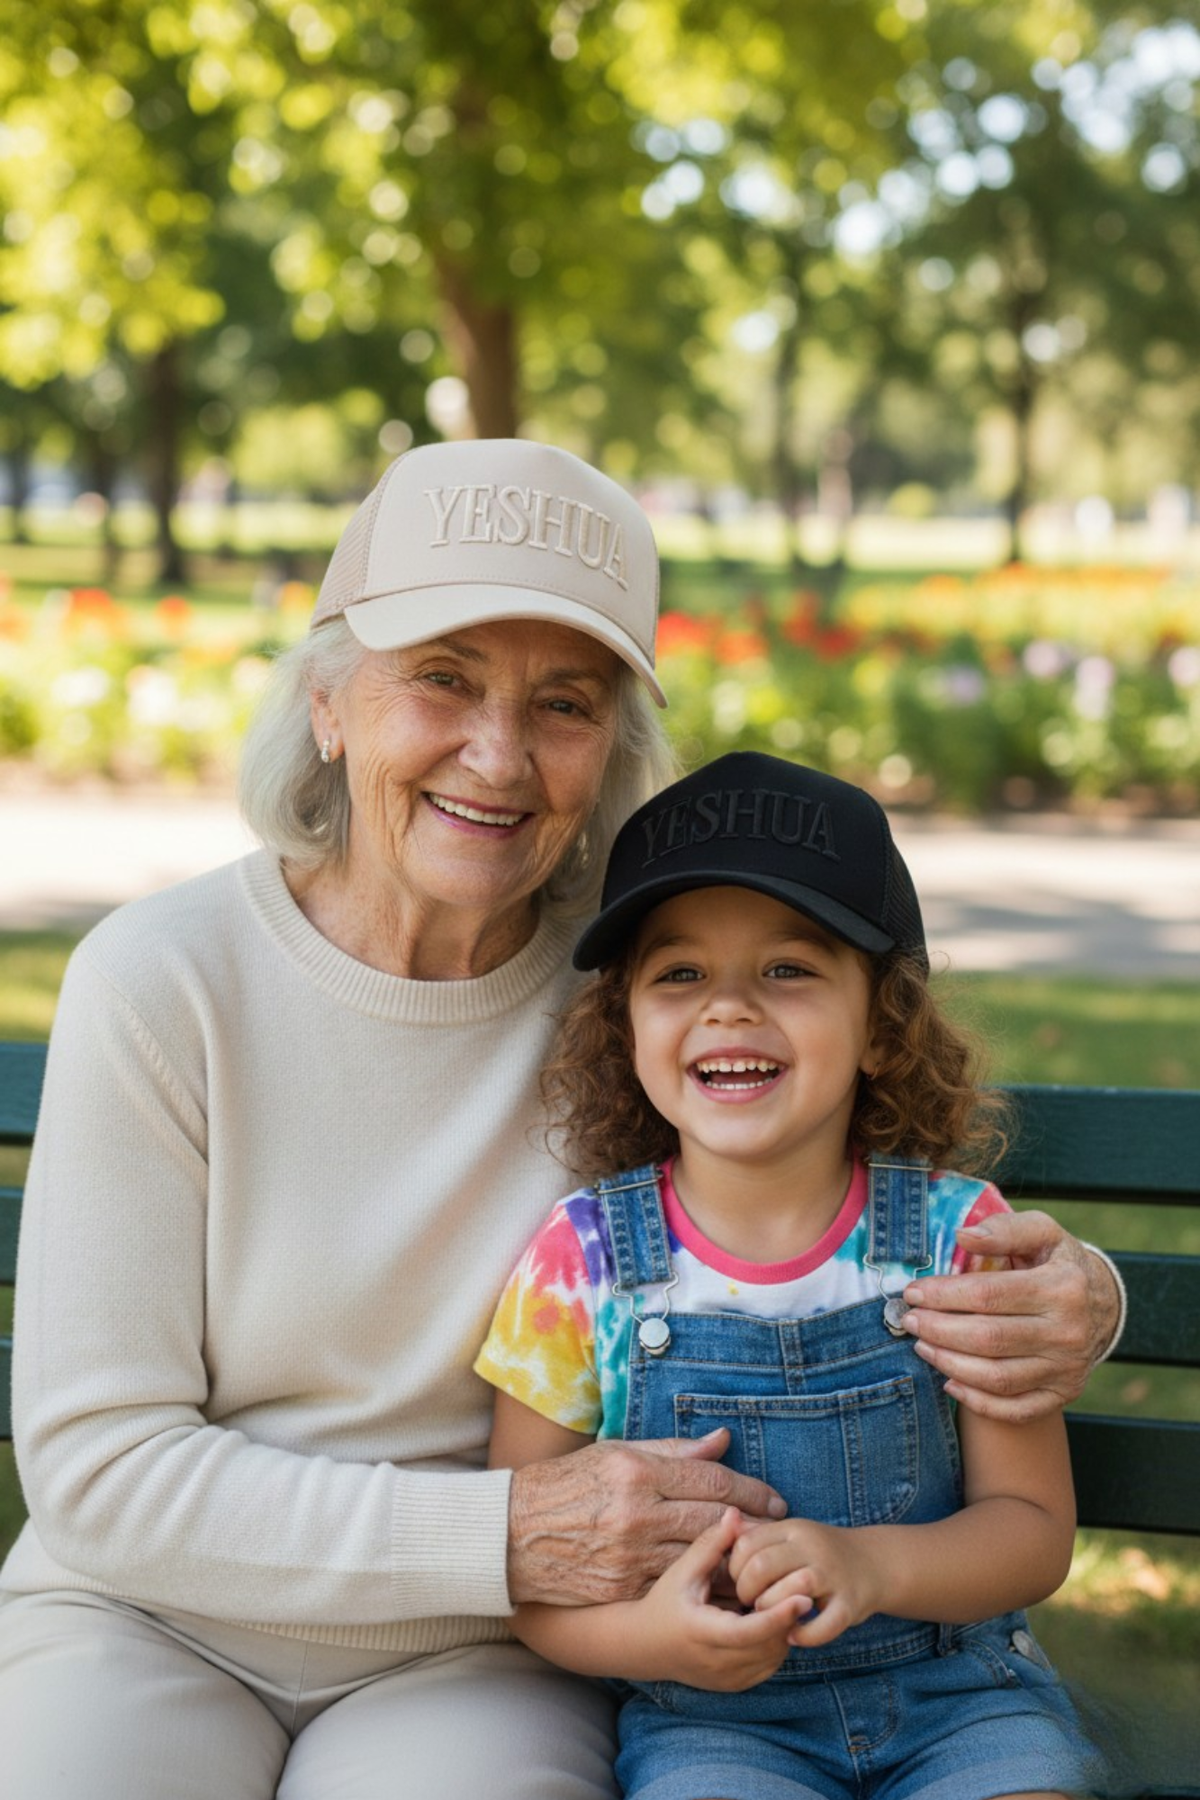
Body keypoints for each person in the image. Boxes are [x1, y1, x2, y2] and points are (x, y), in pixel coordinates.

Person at [0, 439, 1119, 1800]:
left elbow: (820, 1203)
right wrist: (506, 1531)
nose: (500, 754)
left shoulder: (637, 1004)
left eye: (565, 703)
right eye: (442, 677)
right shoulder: (162, 982)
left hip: (470, 1653)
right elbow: (101, 1470)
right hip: (147, 1619)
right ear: (327, 702)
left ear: (614, 753)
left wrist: (1080, 1294)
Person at [477, 751, 1105, 1800]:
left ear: (881, 1028)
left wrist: (874, 1567)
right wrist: (655, 1639)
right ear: (625, 1023)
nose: (728, 1007)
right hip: (716, 1726)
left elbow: (1033, 1532)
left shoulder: (960, 1240)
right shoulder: (580, 1262)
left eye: (788, 970)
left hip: (962, 1701)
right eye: (680, 974)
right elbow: (529, 1576)